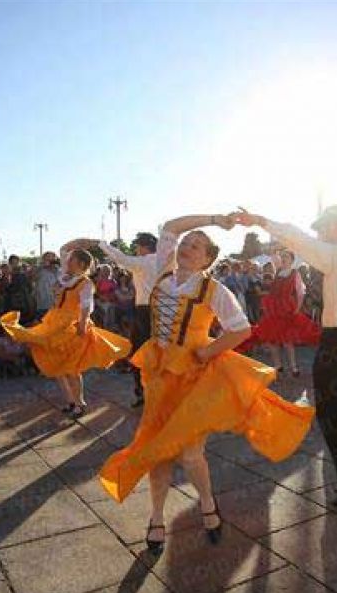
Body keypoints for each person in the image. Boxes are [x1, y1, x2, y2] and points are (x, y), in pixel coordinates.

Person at [97, 213, 314, 552]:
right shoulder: (161, 272)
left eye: (197, 246)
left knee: (190, 452)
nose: (187, 246)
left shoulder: (215, 290)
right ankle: (156, 518)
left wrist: (208, 351)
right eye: (186, 243)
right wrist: (215, 219)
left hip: (194, 380)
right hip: (158, 378)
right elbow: (170, 226)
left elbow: (241, 329)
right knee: (158, 451)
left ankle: (208, 504)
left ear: (208, 259)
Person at [234, 205, 337, 506]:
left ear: (336, 227)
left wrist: (262, 220)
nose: (320, 234)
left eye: (323, 229)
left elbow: (297, 238)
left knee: (333, 414)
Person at [0, 247, 131, 418]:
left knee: (71, 368)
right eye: (68, 260)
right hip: (55, 321)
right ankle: (71, 401)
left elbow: (86, 306)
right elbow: (63, 256)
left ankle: (80, 403)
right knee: (59, 367)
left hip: (71, 326)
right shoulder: (66, 278)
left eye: (72, 260)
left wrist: (83, 325)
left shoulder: (85, 283)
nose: (68, 262)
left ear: (81, 264)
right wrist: (80, 244)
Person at [93, 232, 168, 408]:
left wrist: (102, 244)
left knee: (139, 353)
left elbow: (121, 259)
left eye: (137, 247)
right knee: (161, 353)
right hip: (163, 309)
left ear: (143, 247)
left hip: (145, 310)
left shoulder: (144, 262)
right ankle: (158, 392)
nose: (136, 250)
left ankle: (143, 392)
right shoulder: (164, 261)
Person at [246, 248, 321, 376]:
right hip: (274, 309)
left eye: (286, 256)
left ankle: (293, 368)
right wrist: (267, 306)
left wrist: (297, 309)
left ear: (292, 259)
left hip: (286, 309)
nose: (283, 258)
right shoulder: (279, 271)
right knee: (272, 339)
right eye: (283, 256)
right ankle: (278, 366)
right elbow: (273, 290)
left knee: (288, 340)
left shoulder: (294, 273)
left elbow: (300, 292)